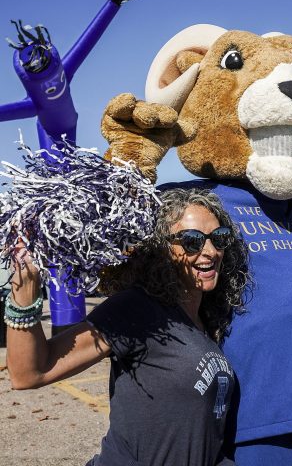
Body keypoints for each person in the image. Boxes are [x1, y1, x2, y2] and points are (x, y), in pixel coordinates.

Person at [6, 188, 250, 466]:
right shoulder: (137, 309)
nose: (210, 252)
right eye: (192, 241)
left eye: (219, 238)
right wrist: (25, 292)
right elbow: (29, 374)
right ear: (162, 249)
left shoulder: (207, 317)